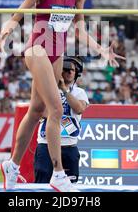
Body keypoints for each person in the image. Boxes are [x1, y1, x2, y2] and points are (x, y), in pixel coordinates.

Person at [0, 0, 124, 192]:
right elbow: (17, 15)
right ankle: (59, 174)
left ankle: (12, 166)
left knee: (36, 111)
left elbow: (79, 32)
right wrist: (4, 35)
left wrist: (101, 49)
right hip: (37, 50)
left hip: (57, 54)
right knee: (55, 110)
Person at [34, 56, 88, 184]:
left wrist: (64, 90)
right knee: (42, 184)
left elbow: (79, 108)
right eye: (66, 69)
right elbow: (42, 113)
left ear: (76, 74)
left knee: (69, 185)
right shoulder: (46, 90)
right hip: (46, 144)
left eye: (72, 70)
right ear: (59, 71)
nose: (69, 72)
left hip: (69, 145)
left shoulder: (80, 92)